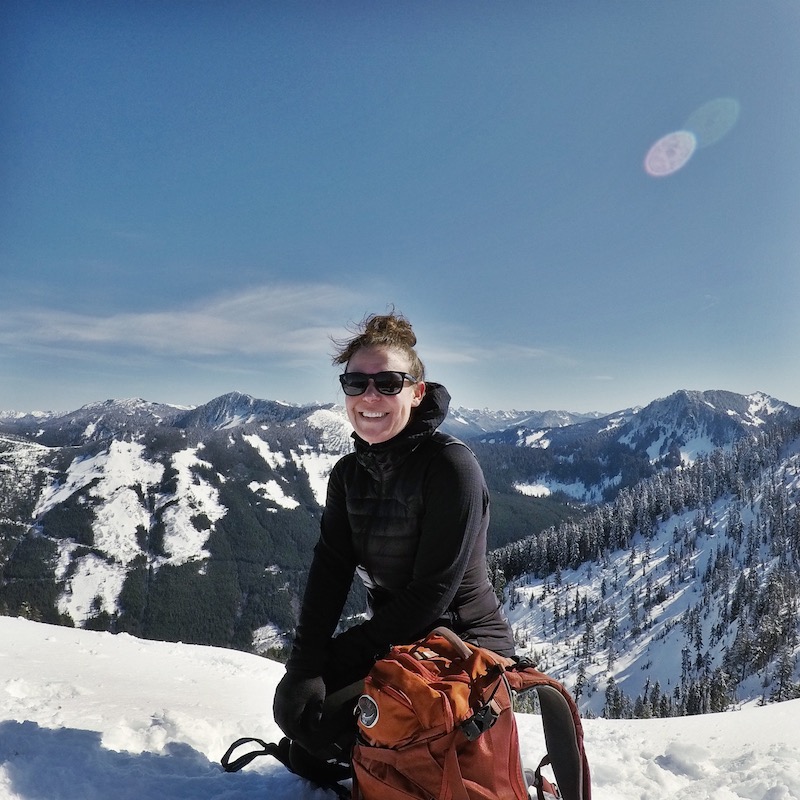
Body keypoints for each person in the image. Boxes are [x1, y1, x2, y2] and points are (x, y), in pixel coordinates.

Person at [272, 310, 514, 783]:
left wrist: (337, 658)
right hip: (397, 640)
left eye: (388, 383)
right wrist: (305, 666)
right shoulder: (348, 474)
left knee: (322, 726)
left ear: (416, 392)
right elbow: (331, 568)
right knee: (298, 715)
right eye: (356, 383)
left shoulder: (450, 467)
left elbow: (431, 595)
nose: (370, 396)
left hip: (462, 646)